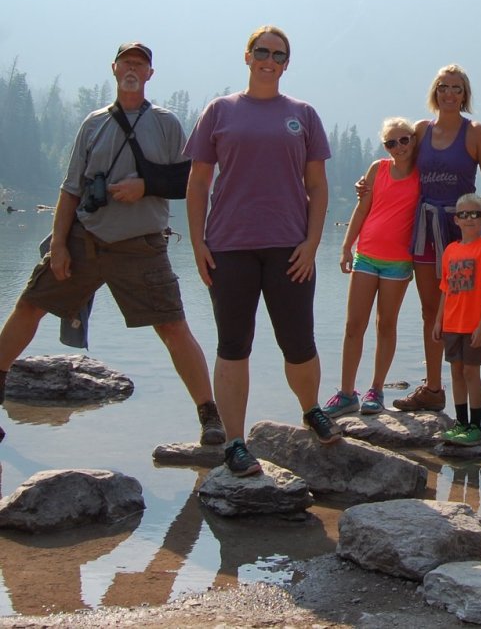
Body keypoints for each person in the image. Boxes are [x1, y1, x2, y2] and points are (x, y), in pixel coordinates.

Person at [0, 42, 224, 446]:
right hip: (85, 241)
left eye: (141, 63)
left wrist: (145, 186)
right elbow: (70, 190)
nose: (133, 68)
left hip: (141, 248)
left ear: (151, 74)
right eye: (126, 62)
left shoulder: (167, 124)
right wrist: (60, 247)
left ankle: (210, 418)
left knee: (173, 326)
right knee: (29, 306)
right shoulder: (93, 123)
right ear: (115, 69)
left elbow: (190, 181)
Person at [185, 25, 337, 478]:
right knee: (233, 346)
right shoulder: (220, 111)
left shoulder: (302, 114)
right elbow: (197, 184)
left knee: (299, 343)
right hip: (229, 247)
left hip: (290, 247)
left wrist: (312, 243)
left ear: (287, 63)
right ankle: (235, 442)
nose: (269, 59)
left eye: (278, 54)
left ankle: (311, 409)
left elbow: (317, 186)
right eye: (261, 51)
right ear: (247, 57)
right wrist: (197, 244)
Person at [391, 64, 481, 417]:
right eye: (443, 87)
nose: (449, 93)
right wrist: (368, 186)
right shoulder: (420, 130)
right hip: (425, 230)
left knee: (478, 314)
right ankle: (433, 389)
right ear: (434, 92)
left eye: (456, 88)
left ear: (465, 95)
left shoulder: (475, 133)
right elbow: (400, 169)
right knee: (433, 311)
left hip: (465, 232)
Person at [326, 117, 420, 417]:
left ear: (413, 139)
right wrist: (345, 247)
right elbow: (362, 208)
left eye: (404, 140)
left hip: (399, 262)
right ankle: (345, 393)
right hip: (366, 255)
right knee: (354, 325)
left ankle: (376, 391)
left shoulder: (423, 175)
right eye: (391, 143)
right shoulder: (377, 169)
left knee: (386, 325)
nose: (399, 147)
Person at [433, 193, 481, 447]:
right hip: (451, 324)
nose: (468, 219)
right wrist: (439, 320)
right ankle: (460, 422)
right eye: (463, 214)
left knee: (472, 373)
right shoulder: (451, 250)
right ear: (456, 220)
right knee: (456, 372)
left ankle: (475, 425)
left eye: (474, 214)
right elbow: (445, 289)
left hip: (474, 326)